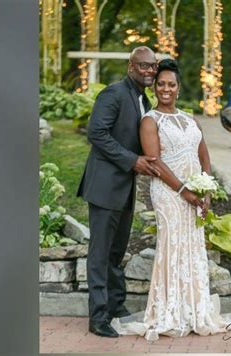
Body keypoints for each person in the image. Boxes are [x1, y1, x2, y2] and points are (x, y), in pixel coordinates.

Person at [110, 59, 231, 341]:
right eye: (161, 84)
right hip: (169, 195)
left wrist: (206, 189)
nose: (166, 89)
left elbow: (203, 155)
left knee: (193, 248)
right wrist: (184, 191)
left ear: (179, 88)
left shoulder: (189, 118)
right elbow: (155, 162)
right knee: (172, 247)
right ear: (155, 88)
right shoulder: (150, 120)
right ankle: (169, 312)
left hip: (195, 194)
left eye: (171, 84)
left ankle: (195, 310)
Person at [76, 46, 161, 338]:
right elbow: (96, 132)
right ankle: (98, 318)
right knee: (100, 254)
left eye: (152, 66)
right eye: (143, 66)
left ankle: (115, 305)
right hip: (104, 187)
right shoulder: (113, 93)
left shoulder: (141, 98)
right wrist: (132, 160)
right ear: (131, 66)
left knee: (116, 252)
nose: (149, 71)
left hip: (124, 189)